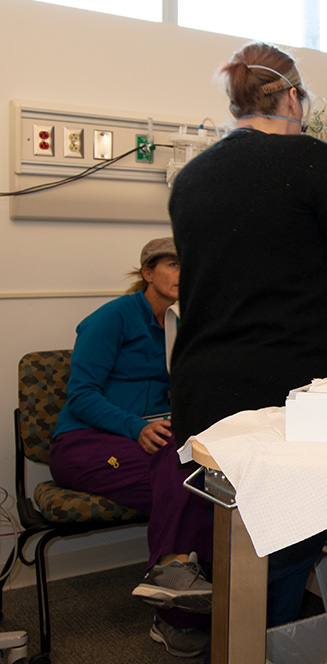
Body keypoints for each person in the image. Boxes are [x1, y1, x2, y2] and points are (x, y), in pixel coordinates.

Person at [166, 41, 327, 633]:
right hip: (294, 392)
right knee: (288, 540)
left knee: (243, 537)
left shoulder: (190, 178)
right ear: (293, 97)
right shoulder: (313, 162)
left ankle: (240, 632)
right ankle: (264, 639)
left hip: (206, 389)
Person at [50, 238, 214, 657]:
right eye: (173, 264)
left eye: (188, 265)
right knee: (187, 482)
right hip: (85, 443)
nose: (183, 274)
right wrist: (134, 427)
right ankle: (175, 604)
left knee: (206, 490)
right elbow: (81, 395)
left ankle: (199, 597)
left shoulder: (184, 326)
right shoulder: (113, 318)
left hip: (154, 444)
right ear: (147, 273)